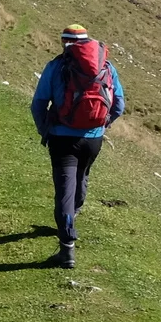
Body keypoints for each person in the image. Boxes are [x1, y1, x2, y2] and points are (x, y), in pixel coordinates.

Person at [31, 24, 126, 268]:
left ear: (63, 42)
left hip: (62, 138)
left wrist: (46, 130)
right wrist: (102, 126)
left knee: (64, 188)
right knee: (82, 177)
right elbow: (119, 106)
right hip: (93, 139)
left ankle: (67, 250)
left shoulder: (56, 66)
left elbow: (39, 104)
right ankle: (72, 216)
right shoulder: (107, 67)